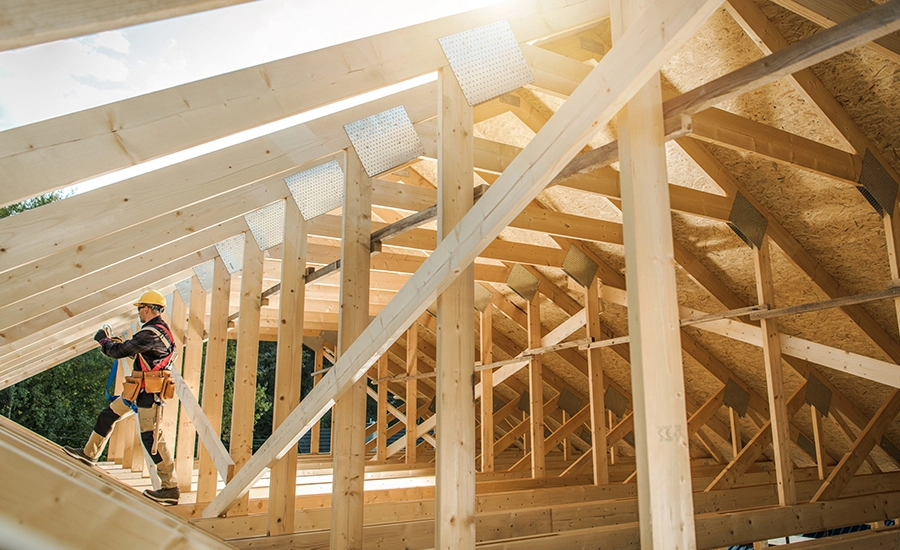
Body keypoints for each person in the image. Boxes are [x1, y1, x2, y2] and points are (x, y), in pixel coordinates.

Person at [63, 290, 181, 505]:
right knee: (108, 415)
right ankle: (89, 454)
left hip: (147, 394)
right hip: (138, 390)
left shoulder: (150, 333)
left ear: (146, 309)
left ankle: (170, 488)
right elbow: (142, 353)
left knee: (151, 439)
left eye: (139, 309)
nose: (138, 313)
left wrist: (103, 341)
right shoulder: (161, 331)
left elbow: (117, 352)